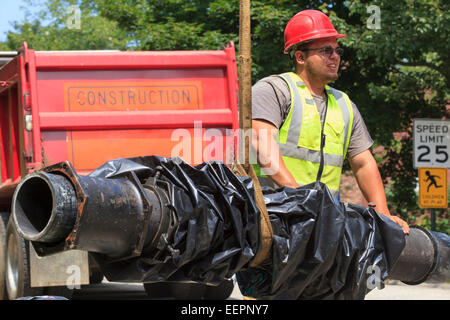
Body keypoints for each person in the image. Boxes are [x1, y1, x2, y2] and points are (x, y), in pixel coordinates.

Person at [251, 9, 410, 234]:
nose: (335, 56)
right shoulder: (273, 90)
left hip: (322, 223)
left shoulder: (344, 104)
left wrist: (382, 212)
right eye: (326, 50)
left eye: (337, 50)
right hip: (271, 217)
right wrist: (299, 198)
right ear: (300, 57)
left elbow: (363, 162)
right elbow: (262, 145)